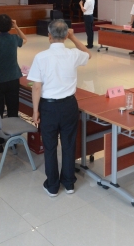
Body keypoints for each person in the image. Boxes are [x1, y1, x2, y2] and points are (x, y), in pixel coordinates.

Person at [29, 20, 90, 196]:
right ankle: (69, 183)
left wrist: (35, 111)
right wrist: (73, 38)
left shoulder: (41, 57)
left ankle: (53, 186)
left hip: (48, 107)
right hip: (69, 105)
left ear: (49, 36)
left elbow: (36, 87)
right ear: (65, 36)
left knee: (50, 146)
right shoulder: (73, 54)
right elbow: (88, 54)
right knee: (69, 144)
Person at [0, 14, 27, 153]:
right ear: (10, 26)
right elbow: (25, 39)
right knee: (13, 109)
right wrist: (16, 27)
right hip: (13, 79)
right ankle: (14, 139)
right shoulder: (14, 39)